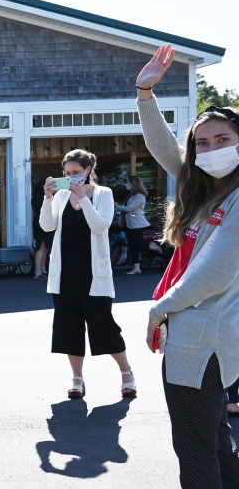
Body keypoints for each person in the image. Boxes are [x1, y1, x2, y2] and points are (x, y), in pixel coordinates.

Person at [135, 44, 239, 489]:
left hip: (203, 342)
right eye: (204, 142)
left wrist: (160, 306)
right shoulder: (204, 189)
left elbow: (215, 273)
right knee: (216, 439)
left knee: (195, 446)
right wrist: (145, 93)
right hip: (202, 340)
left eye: (224, 140)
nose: (211, 149)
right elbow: (164, 148)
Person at [39, 148, 137, 400]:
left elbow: (101, 226)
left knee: (103, 325)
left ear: (88, 170)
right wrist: (47, 197)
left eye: (76, 172)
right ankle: (77, 379)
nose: (71, 177)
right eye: (67, 173)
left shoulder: (103, 193)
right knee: (68, 328)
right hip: (65, 272)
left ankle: (126, 372)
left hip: (94, 272)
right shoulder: (60, 196)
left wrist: (82, 198)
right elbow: (47, 226)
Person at [115, 174, 152, 275]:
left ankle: (155, 247)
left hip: (138, 225)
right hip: (129, 224)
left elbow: (129, 208)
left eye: (128, 183)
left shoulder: (140, 196)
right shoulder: (132, 195)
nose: (127, 185)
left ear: (133, 183)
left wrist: (117, 206)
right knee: (133, 246)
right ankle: (137, 268)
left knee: (137, 245)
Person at [32, 183, 54, 279]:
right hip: (42, 222)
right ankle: (38, 271)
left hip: (38, 222)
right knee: (41, 248)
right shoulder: (43, 199)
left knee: (43, 247)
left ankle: (42, 269)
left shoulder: (35, 198)